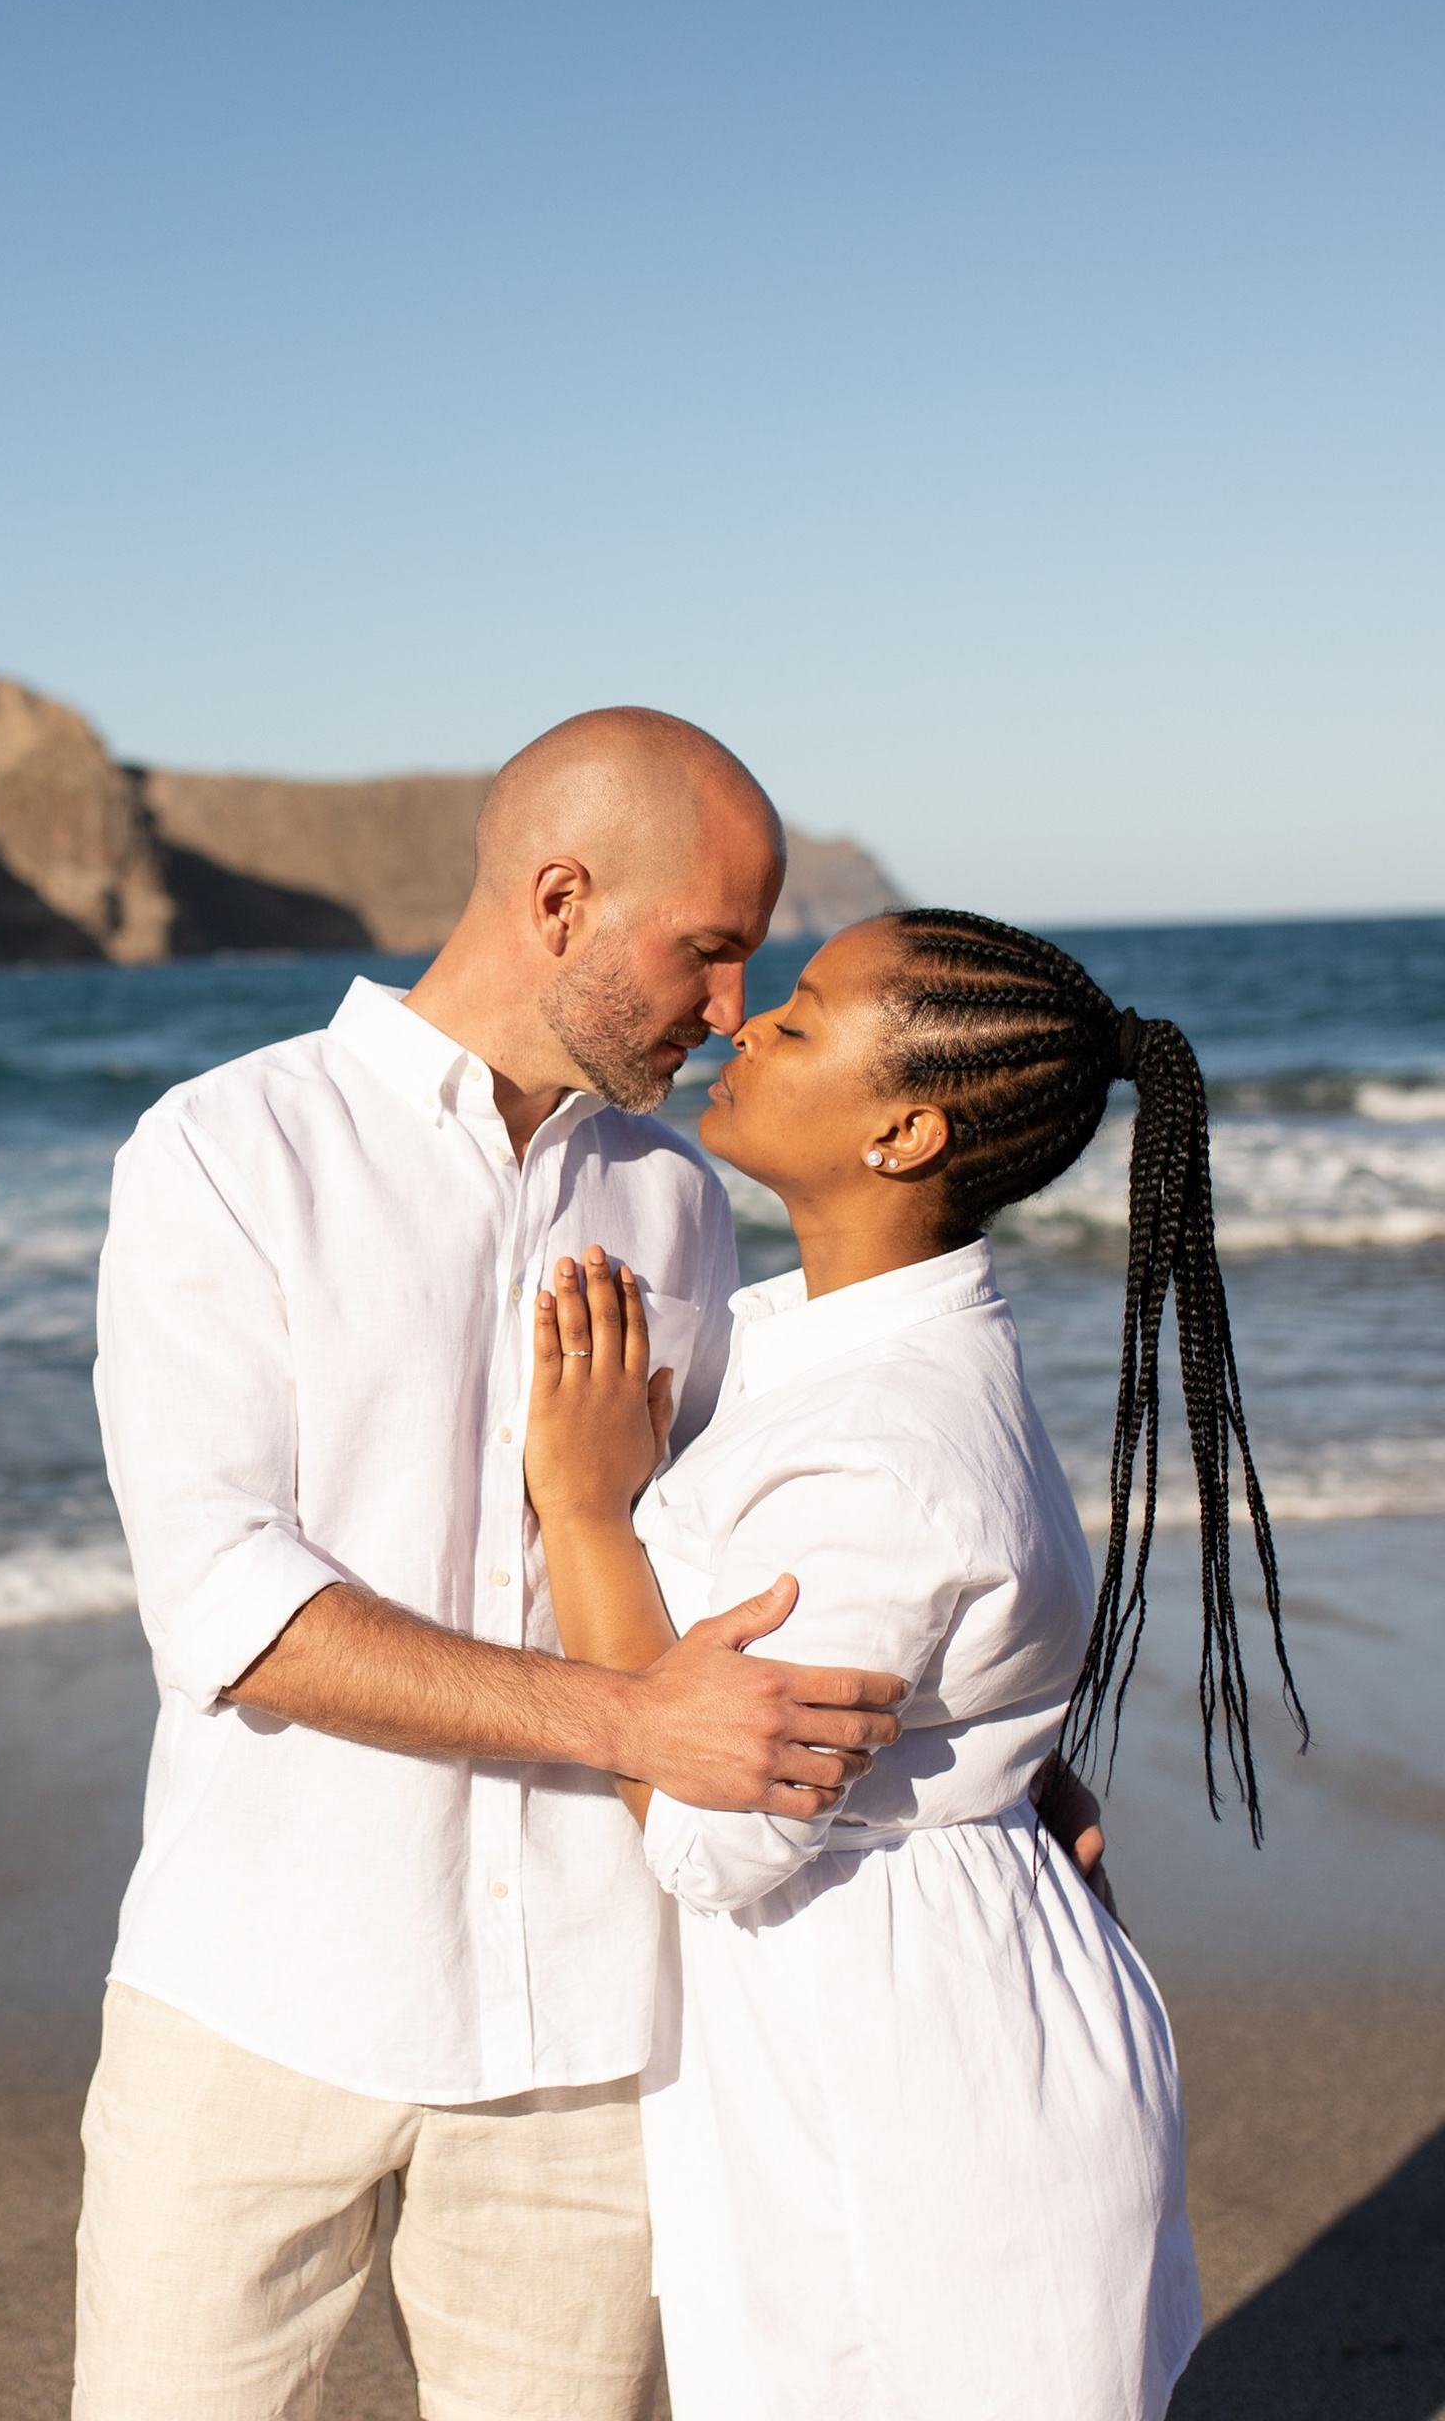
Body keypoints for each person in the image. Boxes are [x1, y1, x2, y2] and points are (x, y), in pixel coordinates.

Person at [77, 711, 1094, 2420]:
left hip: (599, 2039)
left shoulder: (681, 1201)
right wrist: (633, 1727)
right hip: (255, 1997)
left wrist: (994, 1760)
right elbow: (227, 1608)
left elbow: (777, 1556)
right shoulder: (228, 1154)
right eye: (706, 955)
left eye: (750, 971)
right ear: (559, 900)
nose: (727, 1013)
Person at [524, 907, 1306, 2420]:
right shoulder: (839, 1353)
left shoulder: (881, 1440)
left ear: (906, 1130)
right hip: (916, 2015)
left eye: (800, 1021)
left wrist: (583, 1509)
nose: (748, 1027)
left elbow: (711, 1832)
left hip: (916, 2084)